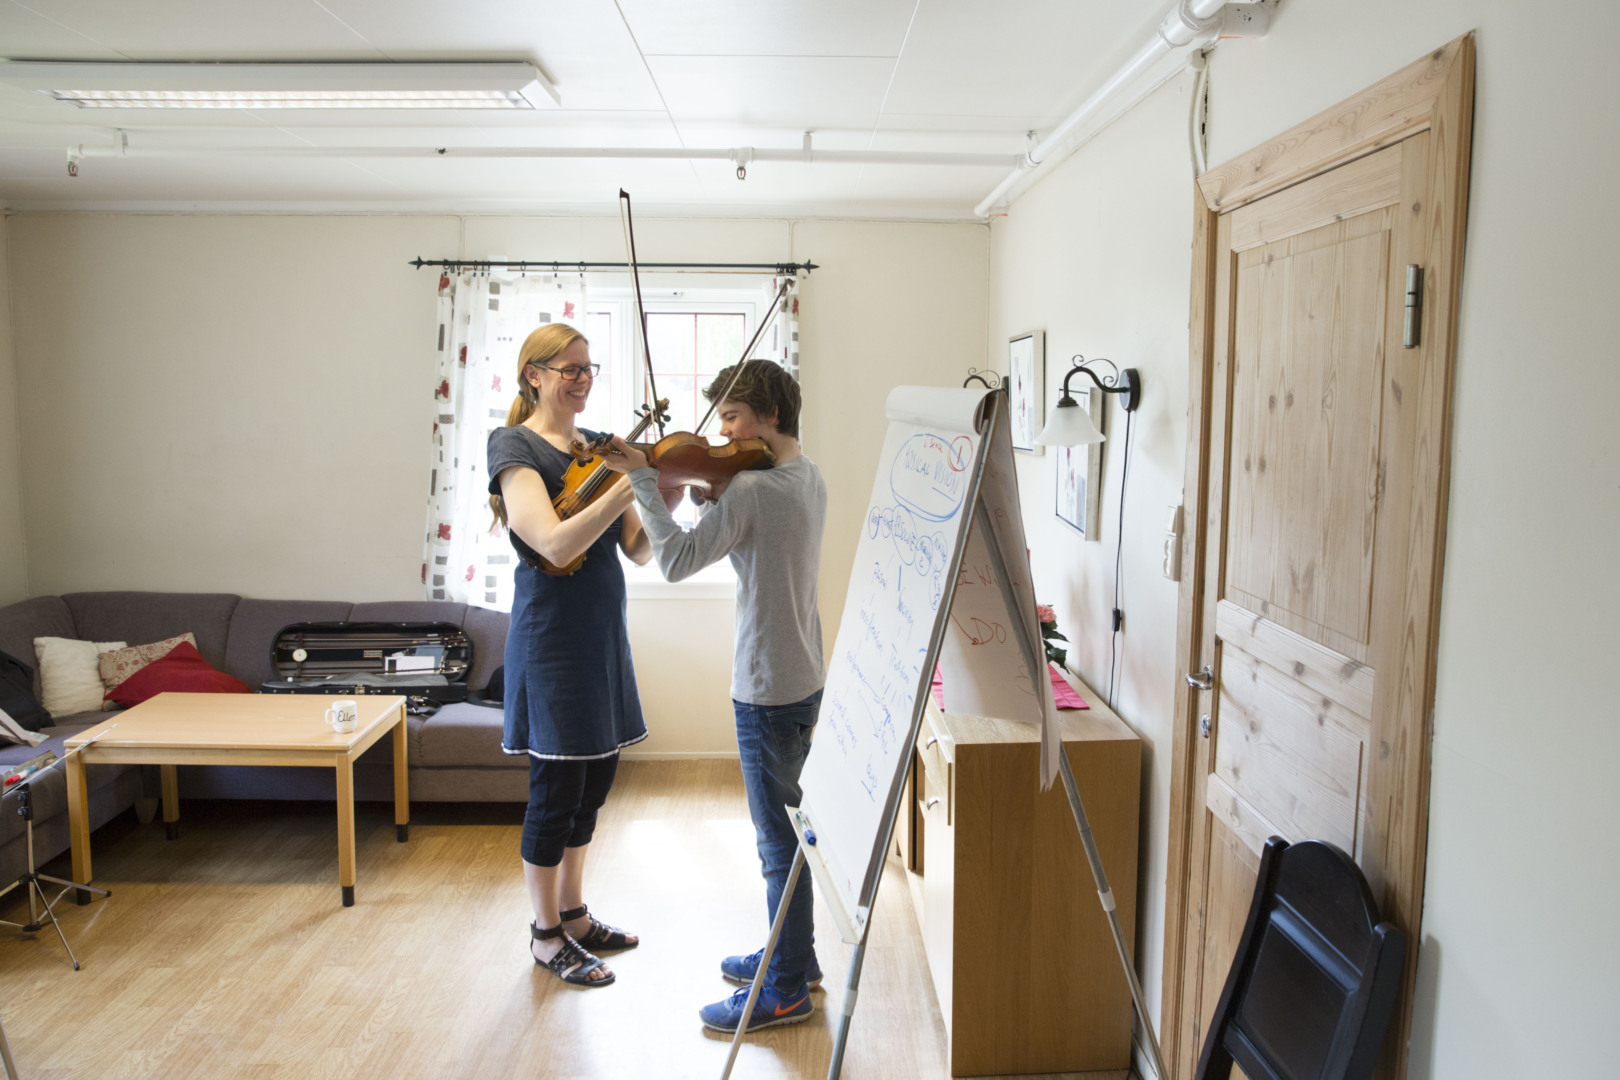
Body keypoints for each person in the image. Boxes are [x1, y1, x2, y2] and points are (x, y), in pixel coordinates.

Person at [601, 358, 827, 1032]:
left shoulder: (752, 492)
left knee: (775, 847)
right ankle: (798, 957)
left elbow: (670, 561)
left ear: (770, 417)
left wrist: (645, 478)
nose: (721, 432)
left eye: (730, 418)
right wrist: (706, 490)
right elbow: (754, 534)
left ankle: (784, 989)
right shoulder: (804, 475)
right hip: (806, 675)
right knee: (792, 837)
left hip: (764, 688)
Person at [487, 323, 652, 988]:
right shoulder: (515, 446)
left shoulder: (596, 449)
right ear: (534, 375)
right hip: (553, 642)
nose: (582, 379)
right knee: (555, 792)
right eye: (569, 368)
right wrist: (623, 486)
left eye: (589, 369)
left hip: (602, 636)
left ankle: (576, 914)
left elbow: (637, 549)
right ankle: (545, 934)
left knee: (594, 784)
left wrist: (658, 493)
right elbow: (552, 544)